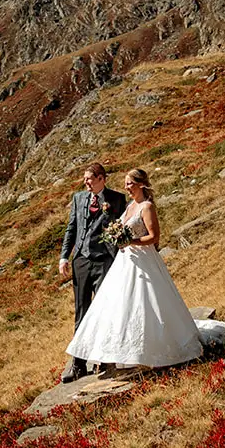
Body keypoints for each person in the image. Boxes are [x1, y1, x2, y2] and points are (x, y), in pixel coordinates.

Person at [65, 167, 203, 373]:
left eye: (130, 183)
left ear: (141, 184)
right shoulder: (130, 206)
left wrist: (132, 241)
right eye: (126, 184)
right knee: (119, 305)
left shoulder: (146, 207)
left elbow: (154, 237)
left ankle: (156, 347)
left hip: (142, 259)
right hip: (124, 261)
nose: (126, 187)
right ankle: (115, 352)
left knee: (147, 301)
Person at [58, 162, 127, 382]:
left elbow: (122, 228)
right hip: (81, 260)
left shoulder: (116, 199)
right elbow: (72, 228)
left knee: (104, 310)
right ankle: (78, 364)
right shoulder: (79, 199)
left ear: (101, 179)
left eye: (89, 179)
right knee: (82, 311)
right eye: (85, 179)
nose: (86, 183)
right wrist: (64, 257)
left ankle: (106, 359)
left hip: (104, 260)